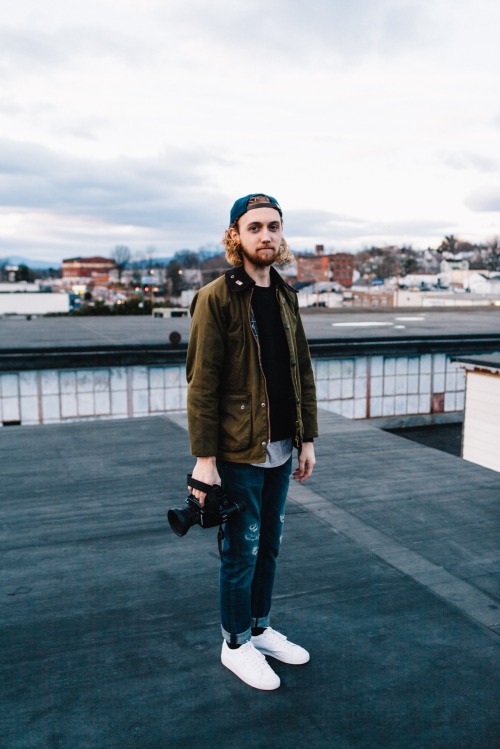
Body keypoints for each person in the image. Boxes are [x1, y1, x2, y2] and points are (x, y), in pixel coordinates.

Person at [186, 193, 318, 690]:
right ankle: (235, 644)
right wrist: (205, 462)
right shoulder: (216, 297)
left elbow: (300, 370)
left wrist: (307, 439)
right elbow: (202, 385)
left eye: (274, 226)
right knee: (240, 551)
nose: (267, 235)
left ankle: (260, 629)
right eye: (256, 226)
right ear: (235, 236)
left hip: (283, 446)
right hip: (238, 452)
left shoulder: (285, 294)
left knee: (270, 547)